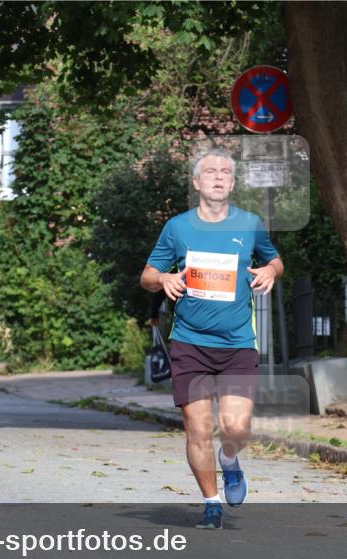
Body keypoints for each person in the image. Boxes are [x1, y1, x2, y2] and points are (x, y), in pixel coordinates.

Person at [140, 148, 283, 529]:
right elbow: (148, 275)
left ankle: (231, 462)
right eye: (211, 171)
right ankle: (211, 503)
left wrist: (270, 270)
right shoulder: (177, 227)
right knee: (198, 429)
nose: (218, 176)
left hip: (237, 344)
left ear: (232, 184)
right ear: (197, 182)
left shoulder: (250, 223)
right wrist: (165, 278)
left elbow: (275, 260)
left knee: (236, 428)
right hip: (189, 343)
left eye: (225, 172)